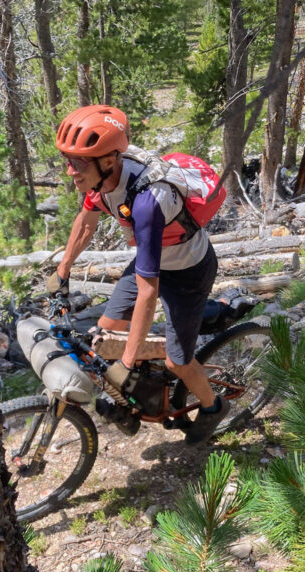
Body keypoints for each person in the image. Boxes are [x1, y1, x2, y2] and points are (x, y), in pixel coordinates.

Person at [46, 104, 228, 443]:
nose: (71, 170)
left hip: (188, 271)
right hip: (153, 258)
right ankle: (141, 392)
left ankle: (213, 406)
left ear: (109, 160)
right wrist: (63, 270)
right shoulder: (99, 181)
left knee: (177, 363)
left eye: (78, 162)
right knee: (104, 339)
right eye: (68, 161)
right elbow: (86, 223)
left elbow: (148, 292)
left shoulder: (147, 201)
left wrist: (127, 366)